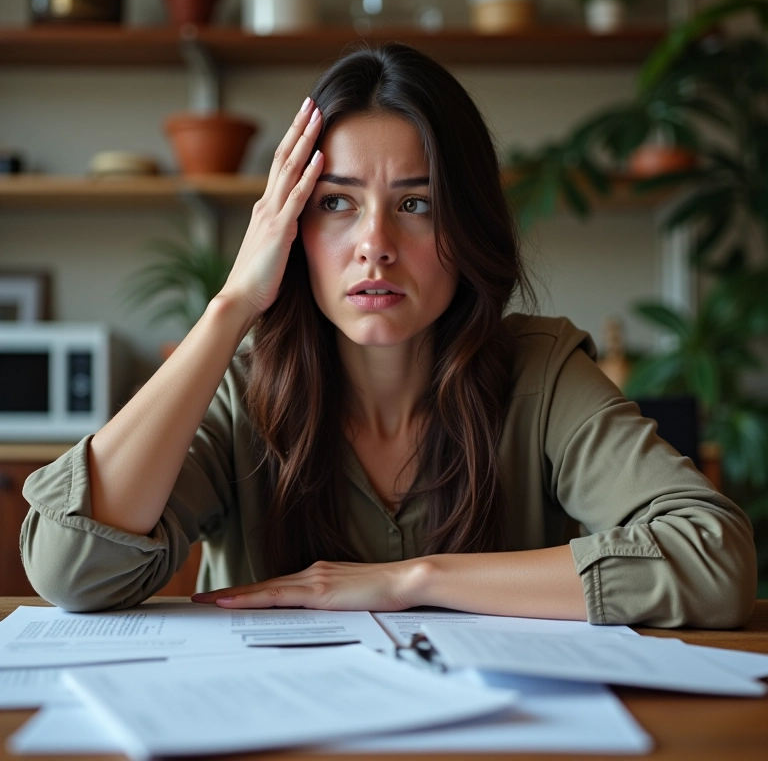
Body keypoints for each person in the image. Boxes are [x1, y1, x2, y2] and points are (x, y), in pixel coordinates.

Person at [21, 44, 756, 628]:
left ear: (467, 229)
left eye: (416, 203)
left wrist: (414, 580)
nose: (375, 244)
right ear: (291, 227)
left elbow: (714, 562)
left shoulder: (542, 371)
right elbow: (69, 568)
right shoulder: (241, 392)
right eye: (336, 202)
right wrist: (233, 302)